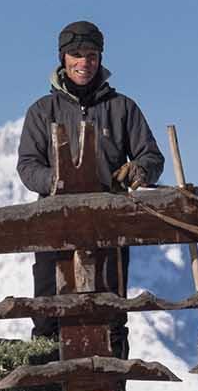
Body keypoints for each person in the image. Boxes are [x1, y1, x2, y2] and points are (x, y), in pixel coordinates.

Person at [15, 21, 165, 338]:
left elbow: (152, 157)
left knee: (110, 318)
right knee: (48, 318)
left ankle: (115, 388)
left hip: (109, 228)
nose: (84, 63)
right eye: (77, 55)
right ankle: (47, 385)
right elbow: (28, 165)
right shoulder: (42, 111)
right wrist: (58, 182)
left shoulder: (122, 108)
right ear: (63, 58)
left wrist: (138, 171)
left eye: (92, 55)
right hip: (53, 227)